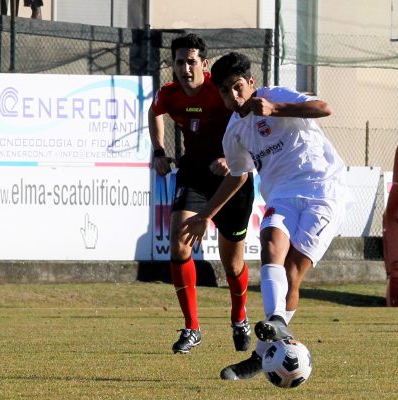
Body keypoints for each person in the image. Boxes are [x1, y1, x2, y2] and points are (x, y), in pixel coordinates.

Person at [180, 51, 349, 380]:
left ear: (252, 83)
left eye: (238, 87)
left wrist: (276, 110)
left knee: (292, 272)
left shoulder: (275, 96)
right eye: (225, 90)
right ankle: (276, 322)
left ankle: (260, 356)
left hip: (323, 189)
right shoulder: (234, 133)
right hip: (282, 194)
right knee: (270, 242)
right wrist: (205, 215)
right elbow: (238, 175)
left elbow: (325, 108)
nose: (234, 96)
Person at [148, 34, 255, 354]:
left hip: (233, 178)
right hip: (194, 173)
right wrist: (158, 151)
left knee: (232, 263)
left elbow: (250, 119)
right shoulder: (168, 94)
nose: (184, 68)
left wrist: (233, 157)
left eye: (191, 61)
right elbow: (154, 112)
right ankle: (192, 327)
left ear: (204, 65)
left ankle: (239, 317)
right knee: (179, 246)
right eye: (179, 62)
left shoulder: (221, 89)